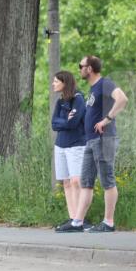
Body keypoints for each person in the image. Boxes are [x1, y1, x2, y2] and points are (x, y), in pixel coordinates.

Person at [57, 56, 128, 233]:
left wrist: (107, 119)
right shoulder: (93, 89)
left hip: (103, 140)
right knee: (86, 182)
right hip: (90, 140)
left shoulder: (105, 83)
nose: (79, 69)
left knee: (107, 180)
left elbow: (122, 99)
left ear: (89, 69)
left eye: (80, 66)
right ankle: (77, 222)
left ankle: (108, 222)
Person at [50, 71, 86, 230]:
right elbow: (54, 123)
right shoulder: (60, 101)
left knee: (76, 181)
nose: (53, 84)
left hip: (76, 145)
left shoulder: (78, 99)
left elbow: (74, 123)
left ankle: (79, 219)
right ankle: (72, 219)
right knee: (66, 182)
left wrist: (63, 122)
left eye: (56, 81)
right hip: (60, 145)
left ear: (65, 83)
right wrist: (66, 120)